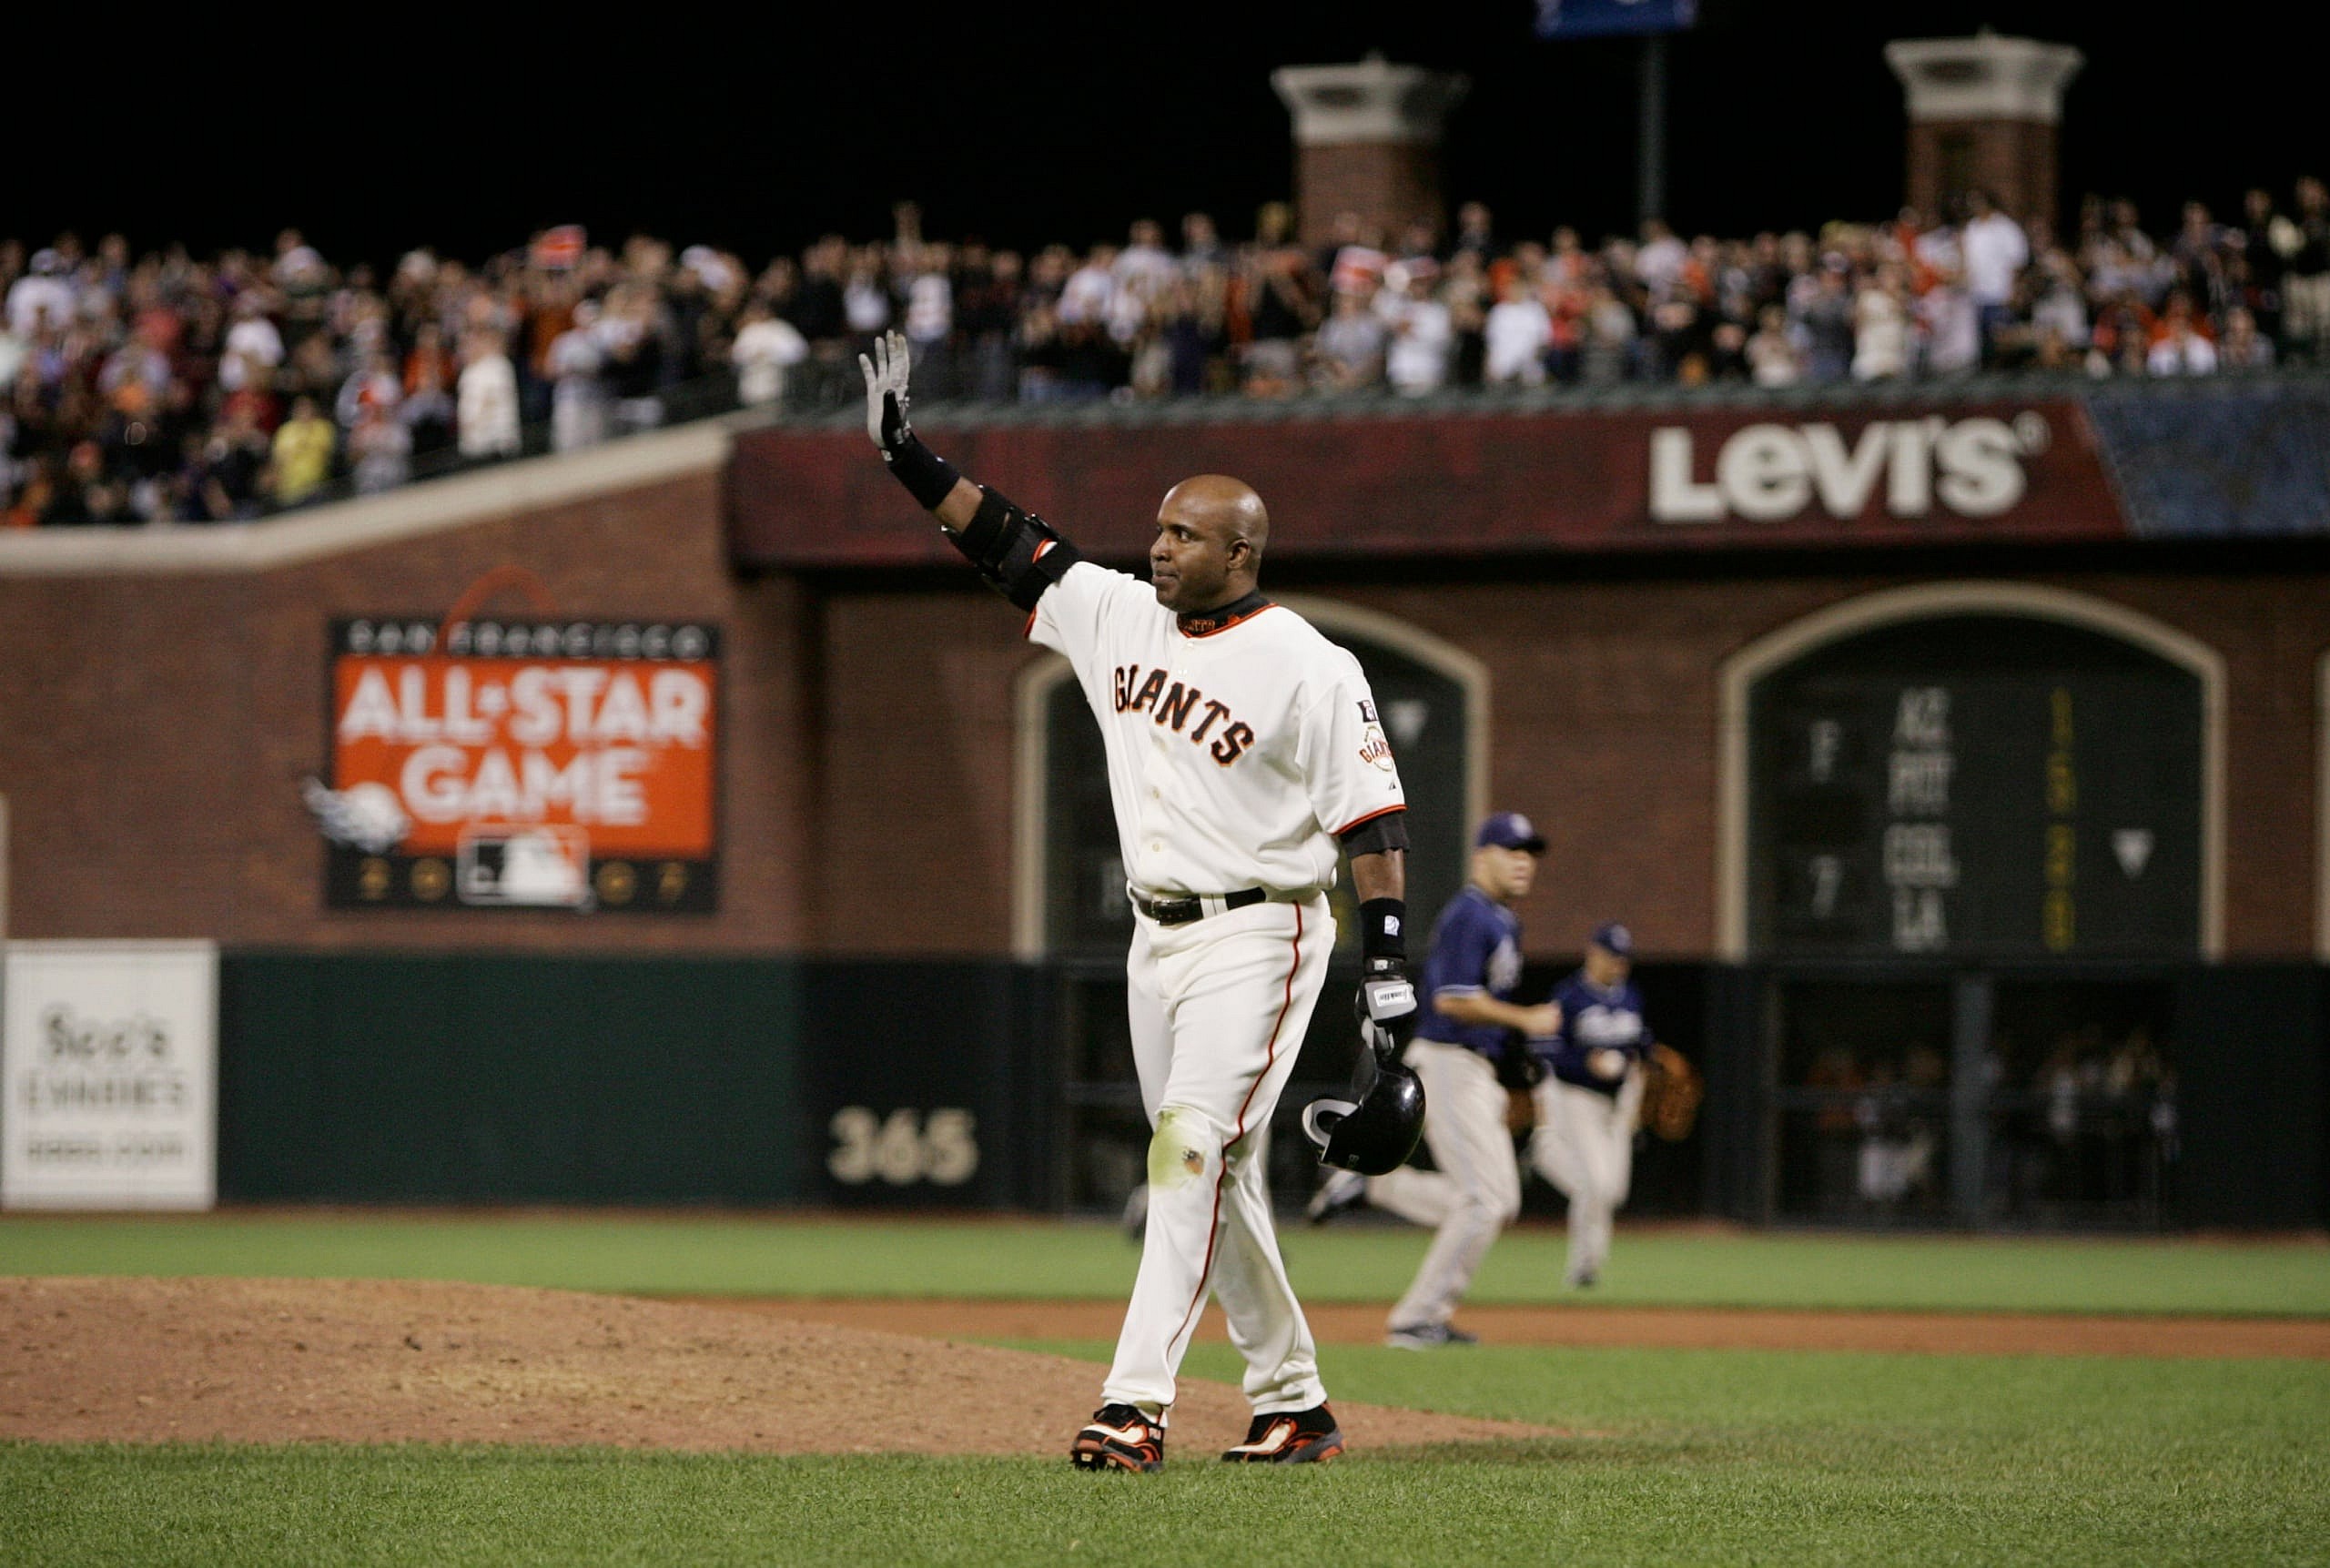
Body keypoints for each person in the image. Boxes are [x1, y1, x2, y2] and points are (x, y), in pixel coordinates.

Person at [858, 329, 1414, 1472]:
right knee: (1213, 1167)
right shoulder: (1116, 612)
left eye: (1182, 533)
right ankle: (1294, 1400)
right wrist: (907, 456)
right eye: (1158, 528)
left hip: (1264, 929)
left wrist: (1390, 972)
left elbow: (1372, 823)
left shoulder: (1309, 664)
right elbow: (1006, 540)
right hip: (1154, 940)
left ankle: (1134, 1403)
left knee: (1186, 1151)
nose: (1156, 547)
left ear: (1241, 549)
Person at [1308, 812, 1559, 1349]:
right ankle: (1416, 1318)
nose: (1523, 862)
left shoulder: (1502, 919)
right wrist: (1526, 1020)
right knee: (1485, 1202)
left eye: (1530, 853)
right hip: (1449, 1062)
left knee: (1498, 1201)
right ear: (1481, 857)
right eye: (1511, 850)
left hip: (1473, 1069)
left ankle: (1376, 1185)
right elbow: (1450, 998)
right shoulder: (1472, 914)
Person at [1528, 922, 1655, 1288]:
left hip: (1618, 1101)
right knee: (1596, 1184)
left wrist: (1637, 1077)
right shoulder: (1569, 996)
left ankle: (1545, 1155)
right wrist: (1586, 1063)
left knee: (1613, 1191)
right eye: (1613, 956)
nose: (1619, 964)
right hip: (1577, 1095)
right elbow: (1547, 1052)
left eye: (1623, 958)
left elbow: (1642, 1046)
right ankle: (1585, 1266)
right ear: (1593, 953)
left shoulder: (1630, 996)